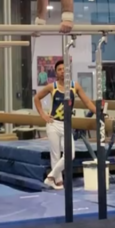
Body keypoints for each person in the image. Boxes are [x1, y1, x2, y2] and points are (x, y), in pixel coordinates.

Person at [33, 59, 96, 189]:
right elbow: (36, 98)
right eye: (59, 70)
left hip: (66, 124)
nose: (62, 72)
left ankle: (50, 177)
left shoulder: (75, 86)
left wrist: (100, 113)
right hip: (53, 123)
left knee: (70, 154)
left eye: (64, 69)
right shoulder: (52, 87)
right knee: (55, 154)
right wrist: (43, 115)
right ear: (56, 73)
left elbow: (87, 102)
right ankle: (58, 181)